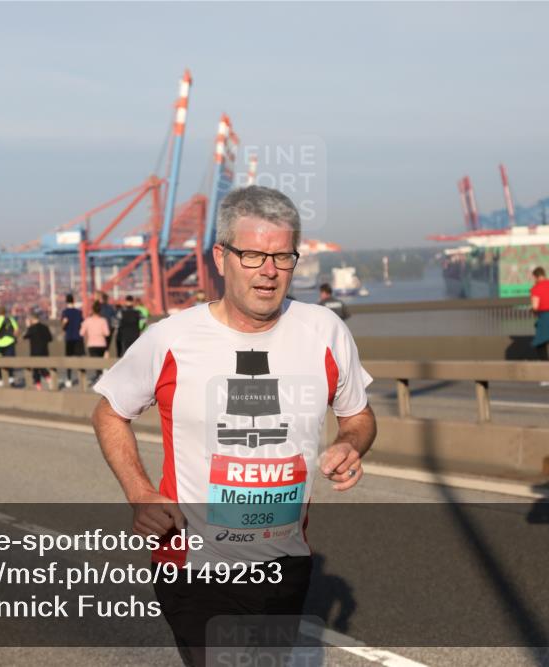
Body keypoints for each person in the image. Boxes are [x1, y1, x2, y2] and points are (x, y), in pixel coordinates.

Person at [91, 185, 376, 666]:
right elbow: (108, 411)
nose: (269, 270)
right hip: (194, 569)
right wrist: (140, 494)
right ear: (221, 257)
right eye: (253, 255)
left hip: (286, 565)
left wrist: (352, 443)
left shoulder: (325, 331)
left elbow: (359, 416)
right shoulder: (170, 340)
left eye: (282, 256)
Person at [23, 314, 55, 390]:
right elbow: (50, 339)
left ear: (32, 319)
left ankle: (39, 386)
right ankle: (48, 379)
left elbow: (25, 336)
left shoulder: (32, 328)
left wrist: (28, 326)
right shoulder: (45, 327)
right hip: (44, 351)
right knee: (42, 367)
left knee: (36, 370)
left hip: (35, 352)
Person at [80, 302, 110, 384]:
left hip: (92, 345)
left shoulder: (87, 321)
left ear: (92, 310)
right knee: (101, 362)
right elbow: (107, 333)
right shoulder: (103, 320)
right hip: (102, 344)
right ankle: (100, 378)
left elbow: (81, 333)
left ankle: (99, 377)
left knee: (96, 363)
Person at [0, 306, 19, 387]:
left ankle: (0, 378)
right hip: (10, 342)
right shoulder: (10, 319)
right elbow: (16, 331)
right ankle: (11, 378)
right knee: (9, 360)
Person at [61, 294, 85, 388]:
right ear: (73, 301)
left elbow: (64, 324)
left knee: (69, 360)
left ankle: (69, 379)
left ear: (66, 301)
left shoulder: (65, 312)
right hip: (78, 338)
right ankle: (82, 379)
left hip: (69, 338)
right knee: (80, 360)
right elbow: (82, 323)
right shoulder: (79, 312)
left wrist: (63, 326)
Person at [98, 292, 116, 357]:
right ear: (107, 299)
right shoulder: (111, 308)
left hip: (100, 329)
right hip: (109, 329)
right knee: (107, 348)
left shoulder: (99, 307)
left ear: (102, 299)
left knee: (100, 346)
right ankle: (105, 361)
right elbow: (114, 318)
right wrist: (113, 329)